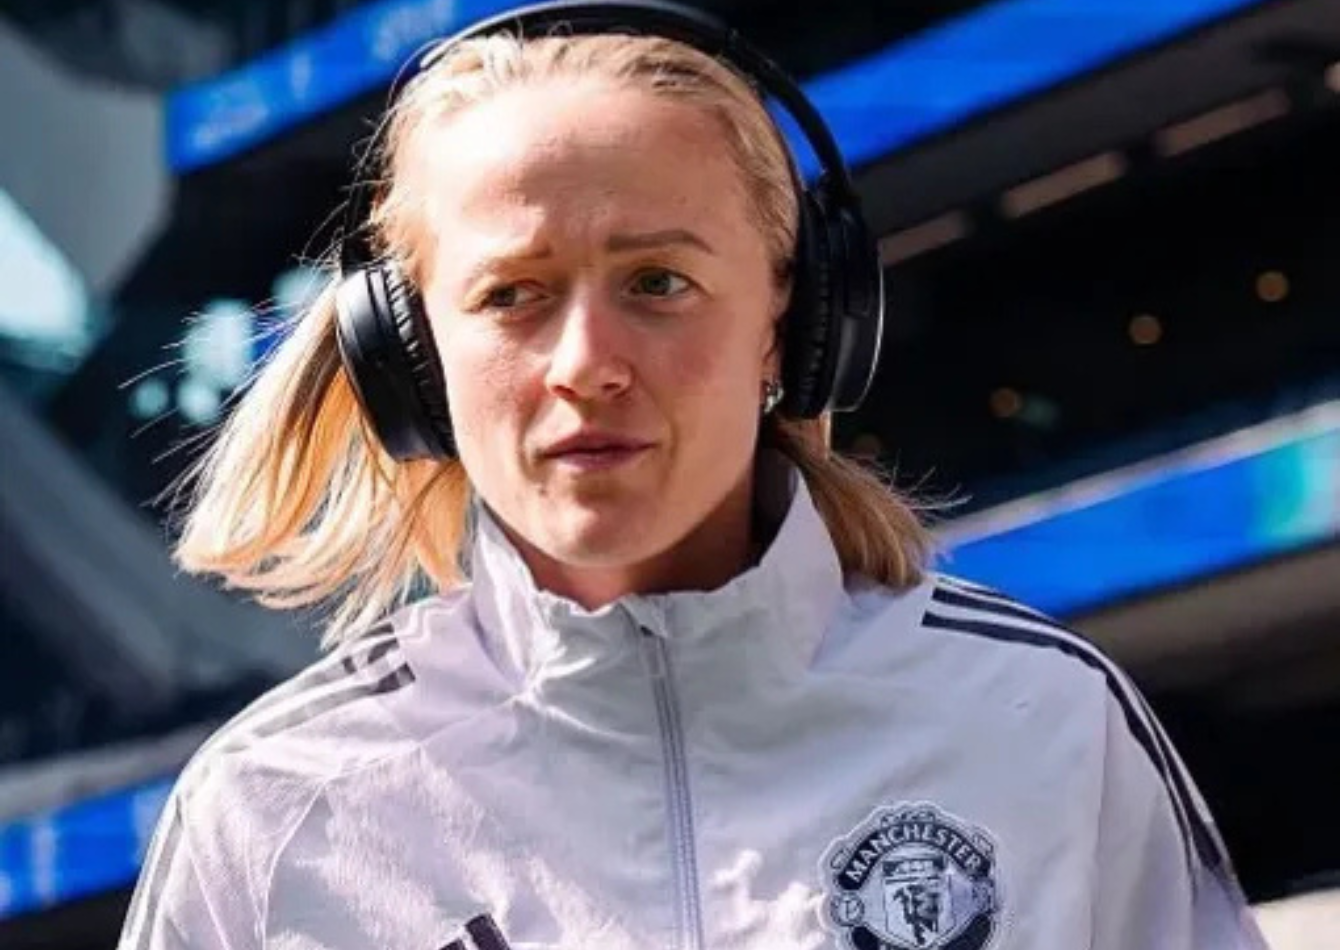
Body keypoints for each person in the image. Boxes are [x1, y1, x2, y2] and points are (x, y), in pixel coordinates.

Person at [118, 3, 1269, 948]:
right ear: (409, 356)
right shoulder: (270, 808)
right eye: (511, 294)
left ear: (794, 320)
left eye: (657, 282)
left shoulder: (1046, 724)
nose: (585, 365)